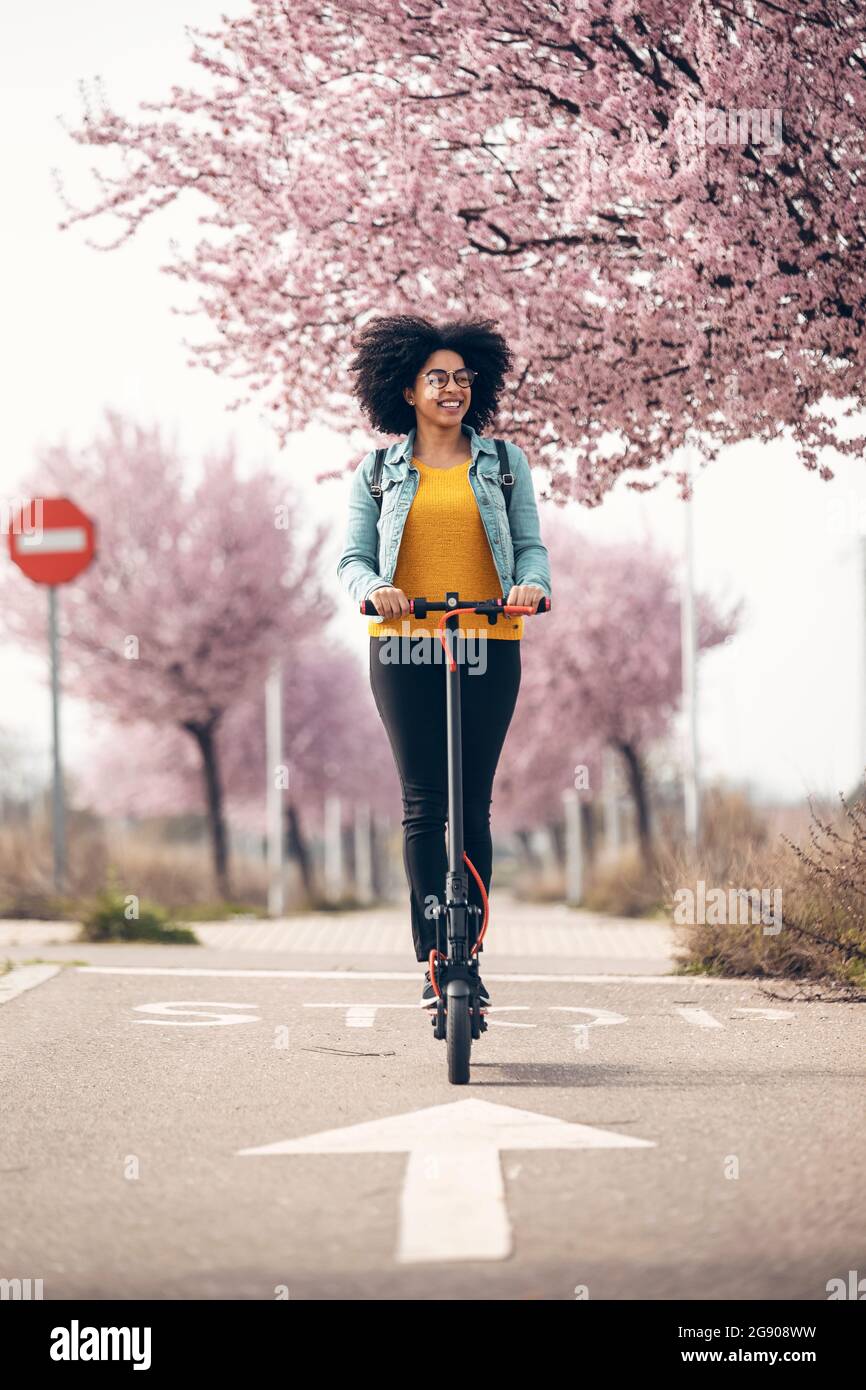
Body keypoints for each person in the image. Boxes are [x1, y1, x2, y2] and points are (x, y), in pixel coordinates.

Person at [337, 314, 552, 1007]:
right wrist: (375, 591)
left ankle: (471, 949)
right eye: (438, 378)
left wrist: (532, 587)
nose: (453, 388)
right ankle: (434, 956)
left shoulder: (505, 464)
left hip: (489, 641)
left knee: (474, 807)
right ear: (407, 390)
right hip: (403, 644)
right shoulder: (376, 472)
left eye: (463, 378)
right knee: (425, 806)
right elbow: (352, 558)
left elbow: (531, 549)